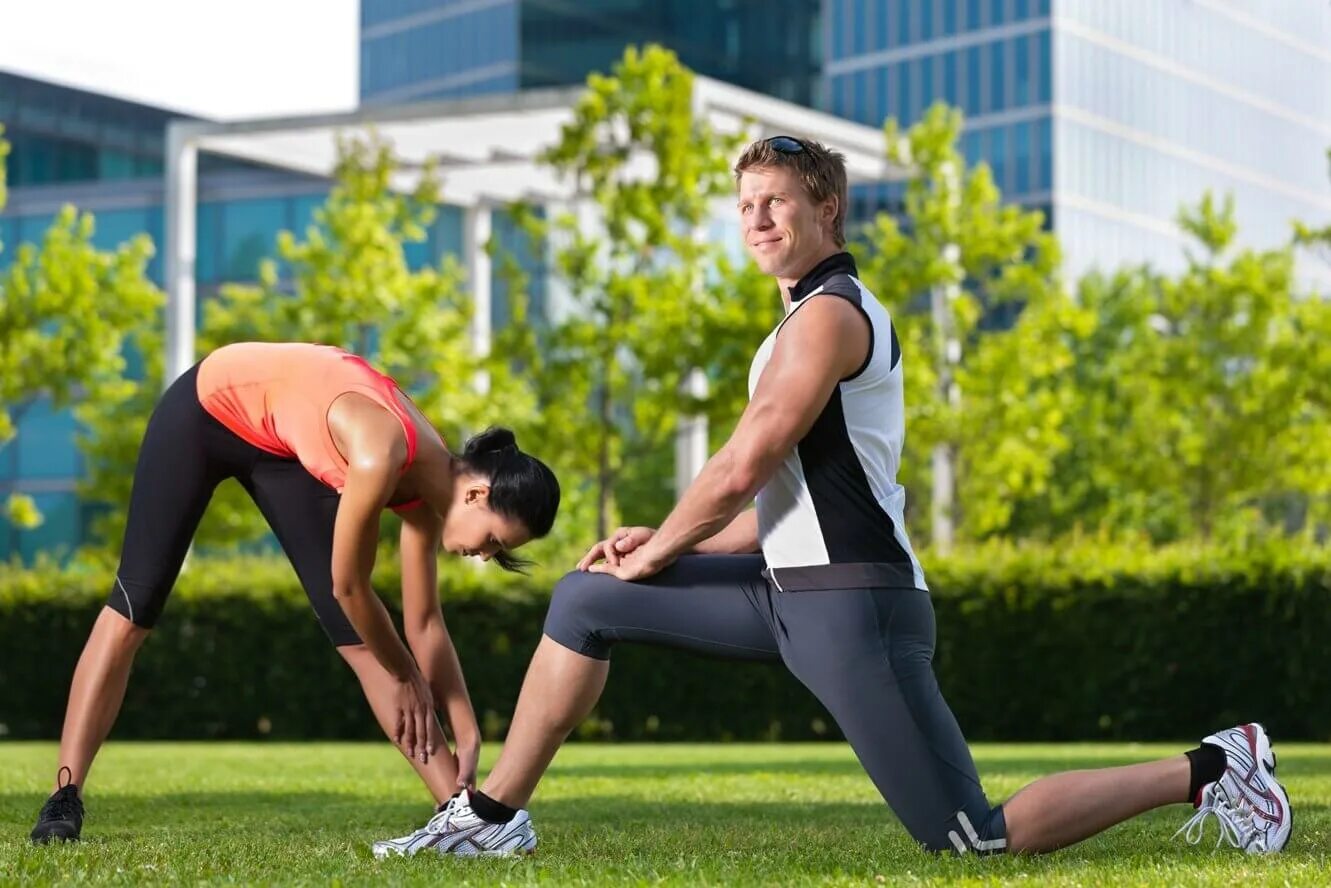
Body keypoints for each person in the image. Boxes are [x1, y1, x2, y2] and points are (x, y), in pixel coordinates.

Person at [371, 136, 1292, 860]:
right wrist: (673, 542)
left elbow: (747, 458)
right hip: (786, 591)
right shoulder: (794, 322)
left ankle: (1217, 767)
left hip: (856, 606)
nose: (758, 219)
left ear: (826, 207)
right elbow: (778, 502)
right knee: (583, 600)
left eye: (775, 202)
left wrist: (663, 554)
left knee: (969, 837)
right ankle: (491, 815)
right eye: (745, 206)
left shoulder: (831, 314)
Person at [29, 341, 560, 844]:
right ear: (476, 493)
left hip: (278, 445)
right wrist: (406, 674)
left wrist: (465, 729)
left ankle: (460, 818)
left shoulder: (429, 494)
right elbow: (348, 586)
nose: (485, 554)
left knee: (363, 640)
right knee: (135, 606)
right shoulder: (381, 454)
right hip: (206, 408)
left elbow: (424, 624)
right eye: (493, 540)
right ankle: (63, 795)